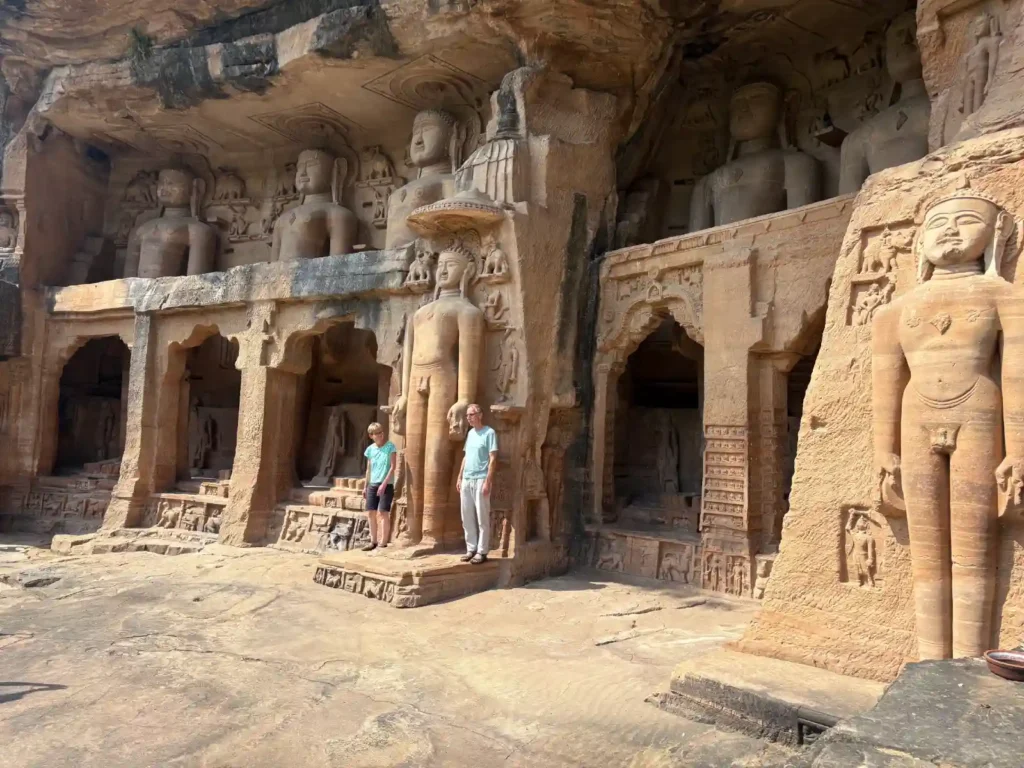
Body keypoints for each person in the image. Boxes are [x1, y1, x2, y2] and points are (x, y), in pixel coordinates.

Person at [456, 404, 498, 564]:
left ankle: (482, 550)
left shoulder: (489, 433)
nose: (468, 417)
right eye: (467, 415)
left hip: (481, 478)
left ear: (480, 415)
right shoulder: (470, 434)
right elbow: (466, 457)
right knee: (466, 516)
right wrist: (460, 476)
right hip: (467, 478)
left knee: (482, 516)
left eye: (471, 414)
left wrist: (488, 480)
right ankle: (471, 548)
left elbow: (493, 457)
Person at [361, 423, 397, 552]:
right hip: (372, 484)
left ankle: (383, 541)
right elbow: (369, 469)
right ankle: (373, 540)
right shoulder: (370, 449)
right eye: (377, 433)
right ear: (371, 436)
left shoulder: (390, 447)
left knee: (383, 513)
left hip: (386, 484)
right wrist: (365, 486)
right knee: (371, 512)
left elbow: (393, 467)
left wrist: (384, 483)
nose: (380, 434)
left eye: (381, 432)